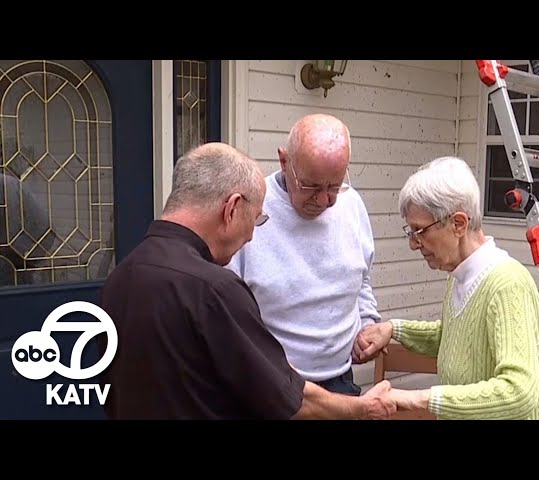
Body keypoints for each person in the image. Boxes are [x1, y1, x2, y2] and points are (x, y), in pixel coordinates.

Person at [98, 142, 397, 420]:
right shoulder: (214, 290)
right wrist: (363, 407)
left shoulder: (122, 276)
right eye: (255, 219)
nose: (252, 235)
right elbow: (287, 398)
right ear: (231, 208)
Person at [358, 156, 539, 420]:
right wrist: (394, 329)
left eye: (420, 231)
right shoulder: (459, 276)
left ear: (458, 224)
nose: (413, 244)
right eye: (410, 232)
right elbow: (458, 341)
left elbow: (519, 392)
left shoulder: (508, 284)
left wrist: (416, 398)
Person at [226, 114, 381, 396]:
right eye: (311, 186)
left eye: (334, 186)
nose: (324, 200)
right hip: (271, 388)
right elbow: (226, 308)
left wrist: (368, 323)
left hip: (341, 381)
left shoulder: (352, 204)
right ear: (284, 161)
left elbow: (362, 280)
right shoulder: (251, 209)